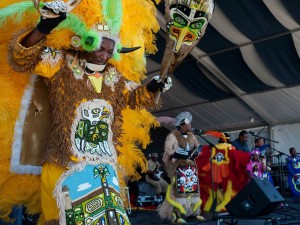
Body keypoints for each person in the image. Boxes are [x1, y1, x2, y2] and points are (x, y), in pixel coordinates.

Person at [0, 1, 172, 224]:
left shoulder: (115, 79)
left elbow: (138, 97)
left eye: (110, 50)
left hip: (103, 165)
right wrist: (44, 27)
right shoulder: (62, 64)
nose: (105, 54)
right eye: (101, 47)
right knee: (59, 218)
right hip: (63, 162)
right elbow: (23, 57)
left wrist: (154, 87)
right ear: (87, 42)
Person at [158, 112, 205, 224]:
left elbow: (196, 148)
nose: (190, 125)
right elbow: (169, 152)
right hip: (178, 167)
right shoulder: (173, 136)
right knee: (179, 192)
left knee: (193, 191)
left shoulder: (191, 136)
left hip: (190, 167)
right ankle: (177, 215)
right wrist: (183, 154)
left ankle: (194, 213)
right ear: (183, 124)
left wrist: (195, 153)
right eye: (189, 123)